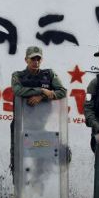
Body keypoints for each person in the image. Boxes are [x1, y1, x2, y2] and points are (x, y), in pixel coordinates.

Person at [10, 46, 67, 177]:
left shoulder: (49, 74)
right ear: (26, 60)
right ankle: (20, 192)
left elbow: (62, 92)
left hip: (41, 125)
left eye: (38, 59)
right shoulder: (18, 75)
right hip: (22, 125)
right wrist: (41, 90)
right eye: (32, 59)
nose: (36, 62)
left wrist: (42, 97)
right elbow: (18, 91)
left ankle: (38, 190)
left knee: (41, 161)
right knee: (18, 161)